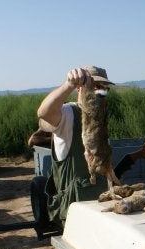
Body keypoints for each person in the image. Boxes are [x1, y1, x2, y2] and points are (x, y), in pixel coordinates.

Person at [35, 65, 114, 229]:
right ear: (80, 88)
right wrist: (68, 85)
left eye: (104, 89)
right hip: (77, 211)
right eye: (95, 86)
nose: (100, 93)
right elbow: (44, 113)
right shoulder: (69, 114)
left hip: (100, 205)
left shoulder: (99, 115)